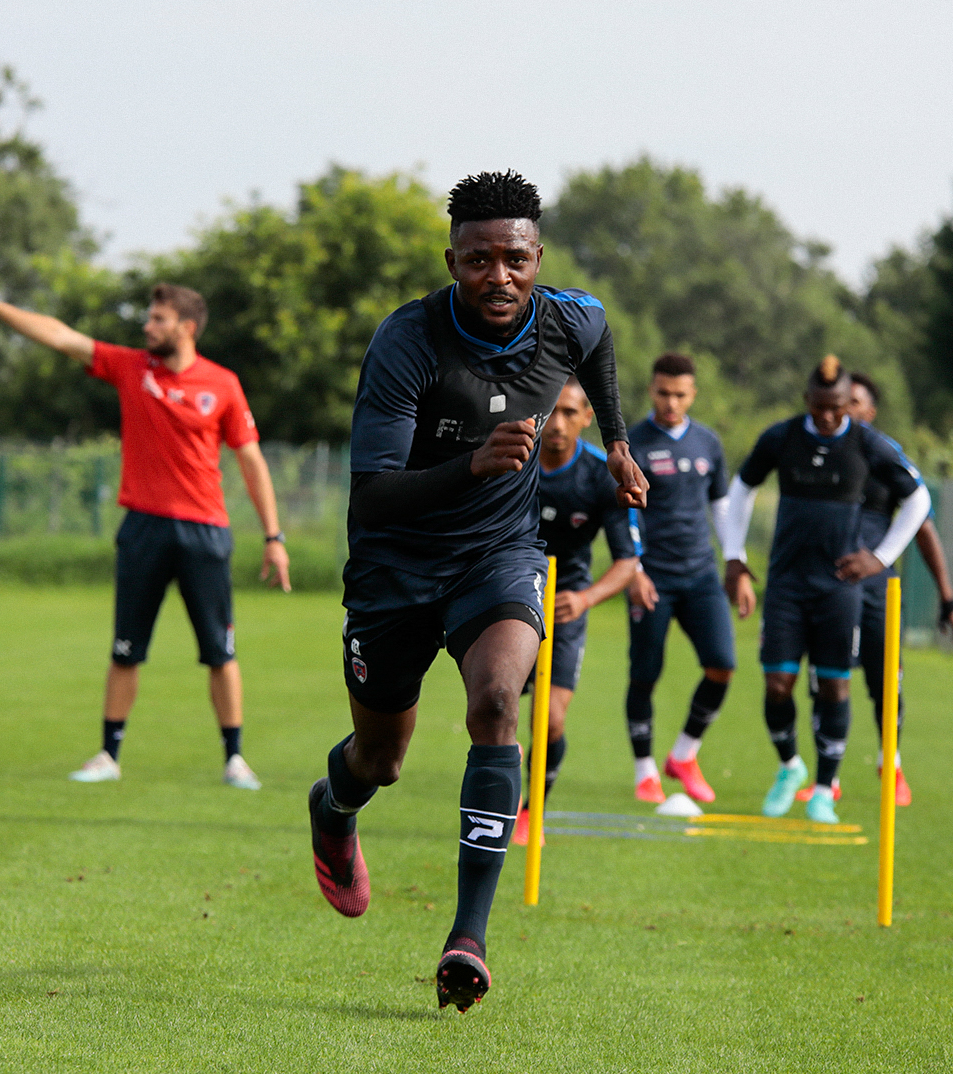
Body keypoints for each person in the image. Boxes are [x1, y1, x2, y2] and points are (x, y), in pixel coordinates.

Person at [306, 171, 646, 1012]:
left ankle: (468, 938)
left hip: (498, 556)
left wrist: (617, 441)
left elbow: (600, 344)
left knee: (497, 702)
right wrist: (471, 464)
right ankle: (334, 805)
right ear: (452, 260)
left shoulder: (570, 318)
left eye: (516, 259)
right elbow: (371, 496)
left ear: (539, 258)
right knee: (381, 760)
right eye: (480, 259)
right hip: (393, 567)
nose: (500, 275)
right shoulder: (407, 342)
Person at [0, 267, 289, 790]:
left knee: (221, 653)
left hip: (204, 532)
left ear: (187, 328)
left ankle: (235, 759)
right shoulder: (131, 367)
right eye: (148, 318)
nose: (147, 327)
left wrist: (274, 537)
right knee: (125, 650)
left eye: (159, 319)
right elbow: (60, 335)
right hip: (143, 529)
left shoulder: (223, 384)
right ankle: (108, 755)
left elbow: (251, 460)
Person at [718, 356, 930, 825]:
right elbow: (741, 489)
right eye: (820, 406)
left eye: (838, 407)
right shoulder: (782, 437)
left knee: (835, 685)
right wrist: (734, 556)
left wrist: (881, 557)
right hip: (787, 584)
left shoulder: (867, 443)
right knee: (778, 684)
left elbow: (918, 499)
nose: (829, 416)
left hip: (839, 588)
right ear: (807, 401)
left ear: (848, 402)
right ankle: (790, 766)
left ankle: (822, 791)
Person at [513, 377, 643, 845]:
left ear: (588, 418)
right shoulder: (513, 461)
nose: (558, 423)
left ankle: (533, 808)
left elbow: (628, 562)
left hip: (566, 605)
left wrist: (586, 598)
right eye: (552, 410)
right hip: (507, 597)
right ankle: (493, 800)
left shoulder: (600, 475)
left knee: (550, 720)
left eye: (570, 412)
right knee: (497, 708)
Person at [622, 354, 740, 805]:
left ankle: (684, 754)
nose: (671, 402)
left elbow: (721, 508)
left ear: (692, 395)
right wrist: (633, 569)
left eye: (680, 394)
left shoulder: (708, 442)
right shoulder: (632, 442)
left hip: (701, 575)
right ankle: (645, 771)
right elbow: (623, 513)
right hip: (651, 577)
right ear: (651, 391)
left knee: (722, 664)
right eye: (663, 393)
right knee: (645, 674)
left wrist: (736, 562)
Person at [843, 371, 953, 806]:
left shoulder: (886, 457)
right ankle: (825, 779)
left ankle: (890, 764)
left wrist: (947, 598)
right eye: (841, 400)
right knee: (830, 678)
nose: (845, 408)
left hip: (879, 589)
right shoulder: (823, 454)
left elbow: (923, 528)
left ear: (870, 411)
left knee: (885, 683)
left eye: (855, 401)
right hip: (834, 586)